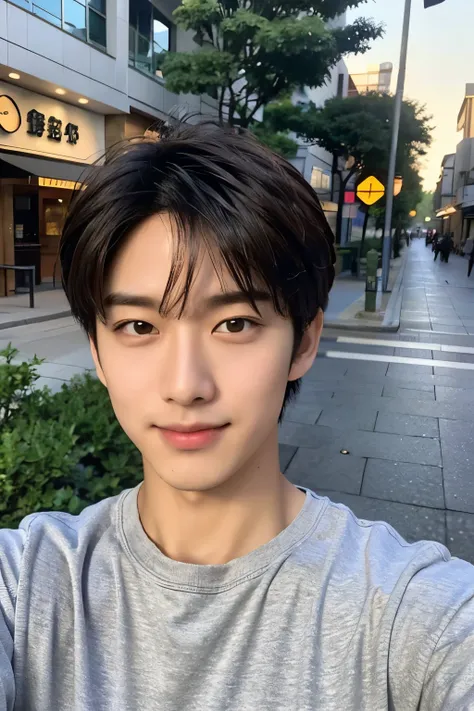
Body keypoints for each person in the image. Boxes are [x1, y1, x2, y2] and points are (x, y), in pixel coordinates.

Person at [1, 120, 474, 711]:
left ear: (303, 342)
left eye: (235, 324)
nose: (186, 386)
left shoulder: (410, 611)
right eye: (139, 327)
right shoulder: (28, 584)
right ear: (97, 351)